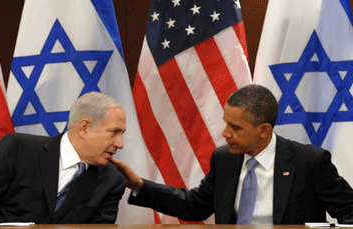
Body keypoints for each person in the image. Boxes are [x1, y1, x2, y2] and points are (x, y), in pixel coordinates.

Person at [111, 84, 353, 225]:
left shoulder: (309, 161)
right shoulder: (224, 159)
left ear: (264, 130)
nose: (225, 134)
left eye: (235, 128)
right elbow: (194, 206)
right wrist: (140, 185)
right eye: (226, 123)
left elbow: (349, 212)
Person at [0, 92, 127, 224]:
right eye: (114, 132)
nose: (120, 144)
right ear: (84, 128)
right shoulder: (18, 149)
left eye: (122, 134)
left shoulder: (112, 181)